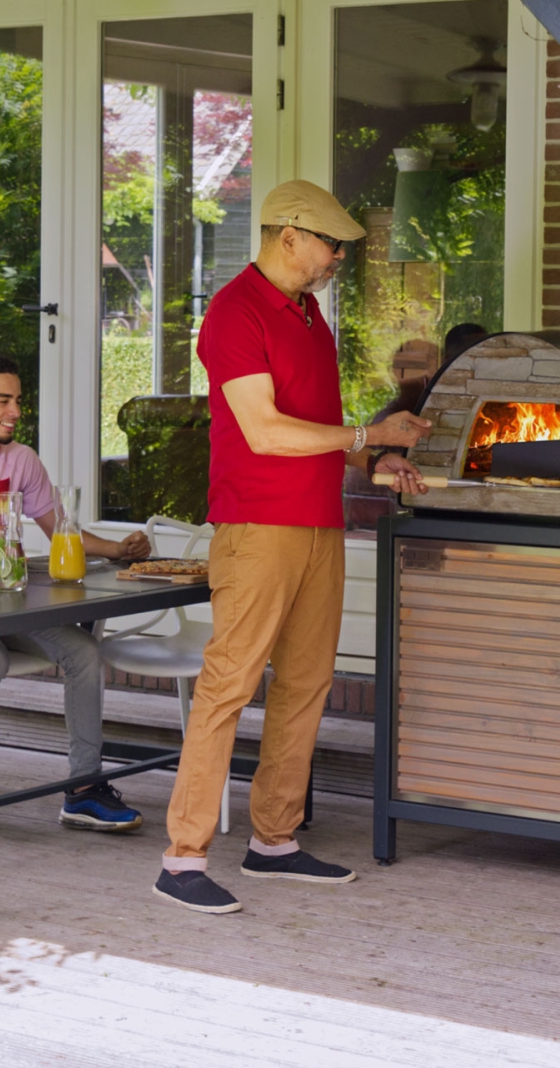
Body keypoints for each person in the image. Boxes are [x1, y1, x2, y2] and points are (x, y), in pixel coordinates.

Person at [154, 180, 431, 914]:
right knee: (228, 687)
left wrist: (370, 464)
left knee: (307, 684)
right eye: (330, 244)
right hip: (258, 528)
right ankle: (182, 858)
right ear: (289, 237)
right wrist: (372, 434)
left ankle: (273, 841)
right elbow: (266, 432)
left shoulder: (311, 317)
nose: (337, 256)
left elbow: (315, 429)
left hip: (318, 524)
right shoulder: (235, 312)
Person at [0, 351, 153, 831]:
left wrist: (118, 549)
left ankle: (82, 788)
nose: (15, 410)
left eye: (18, 400)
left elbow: (62, 531)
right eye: (3, 400)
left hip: (3, 602)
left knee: (83, 651)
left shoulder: (22, 460)